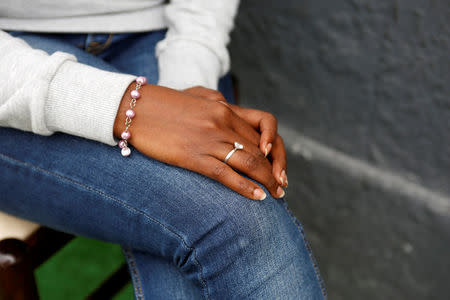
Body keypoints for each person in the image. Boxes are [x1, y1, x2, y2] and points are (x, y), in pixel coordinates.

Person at [0, 0, 327, 299]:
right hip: (12, 64)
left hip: (158, 34)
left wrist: (188, 83)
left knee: (223, 187)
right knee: (229, 213)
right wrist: (129, 106)